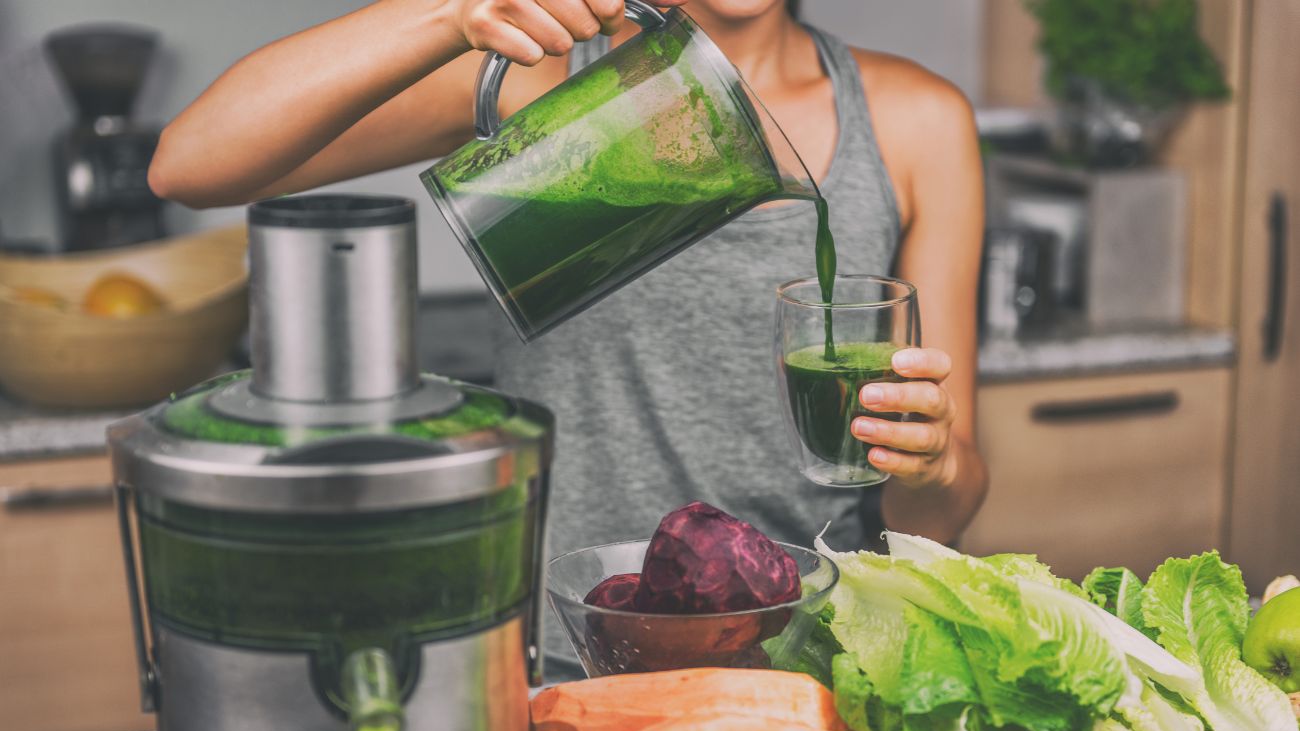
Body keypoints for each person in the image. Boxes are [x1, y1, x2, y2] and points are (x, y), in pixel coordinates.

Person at [149, 0, 988, 664]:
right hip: (565, 652)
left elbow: (942, 512)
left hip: (810, 654)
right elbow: (190, 164)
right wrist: (450, 13)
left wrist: (934, 459)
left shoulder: (916, 121)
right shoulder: (537, 79)